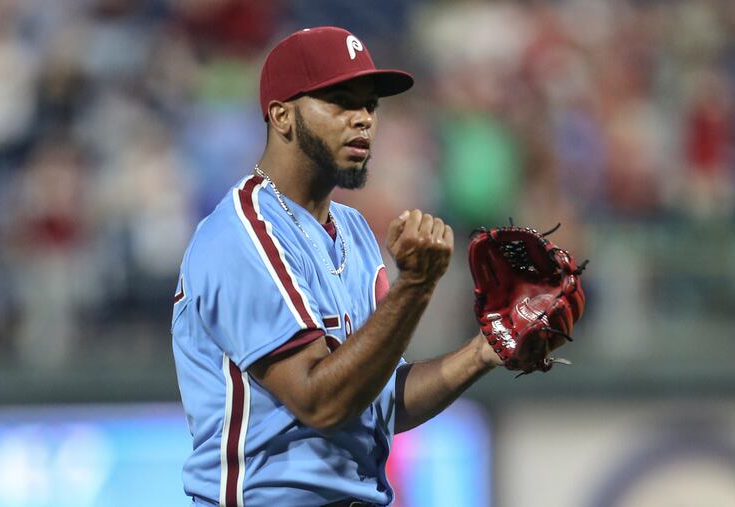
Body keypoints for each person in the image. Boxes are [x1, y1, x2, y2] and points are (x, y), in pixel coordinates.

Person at [171, 26, 558, 507]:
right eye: (340, 101)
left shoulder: (352, 230)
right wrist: (415, 286)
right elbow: (321, 403)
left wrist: (483, 351)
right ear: (282, 116)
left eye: (370, 104)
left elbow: (380, 399)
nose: (363, 120)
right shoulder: (241, 235)